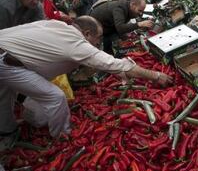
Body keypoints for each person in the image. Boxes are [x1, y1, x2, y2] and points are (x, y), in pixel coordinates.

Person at [0, 16, 173, 138]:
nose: (98, 43)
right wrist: (156, 76)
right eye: (98, 38)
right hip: (8, 62)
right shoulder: (76, 42)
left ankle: (7, 128)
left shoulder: (58, 26)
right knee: (55, 97)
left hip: (6, 51)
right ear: (87, 33)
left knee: (5, 95)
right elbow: (113, 64)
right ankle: (62, 135)